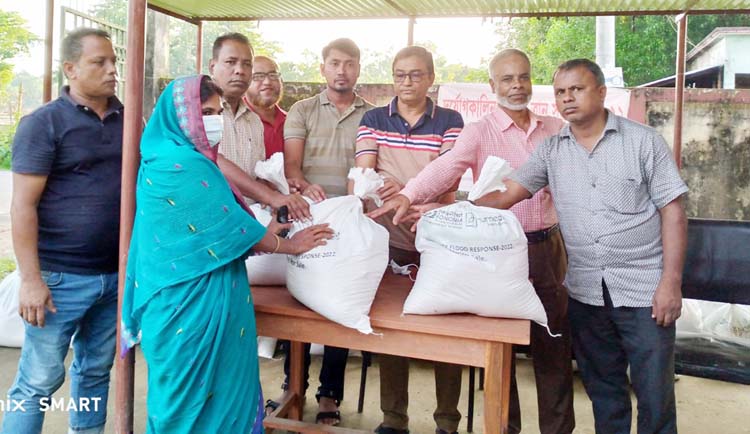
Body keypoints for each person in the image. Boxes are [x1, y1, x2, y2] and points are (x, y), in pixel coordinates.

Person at [383, 59, 688, 434]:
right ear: (494, 84)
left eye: (576, 89)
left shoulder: (635, 141)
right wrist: (431, 208)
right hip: (565, 281)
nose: (567, 98)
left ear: (601, 92)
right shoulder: (542, 146)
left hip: (629, 284)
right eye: (561, 92)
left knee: (648, 391)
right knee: (600, 387)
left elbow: (673, 211)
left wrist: (670, 283)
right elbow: (504, 193)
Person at [372, 49, 575, 434]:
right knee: (499, 351)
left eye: (523, 77)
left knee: (554, 349)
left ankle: (558, 430)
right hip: (495, 255)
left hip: (546, 249)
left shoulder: (554, 129)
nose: (517, 86)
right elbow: (446, 167)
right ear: (492, 85)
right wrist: (409, 195)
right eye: (507, 79)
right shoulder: (479, 131)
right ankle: (505, 428)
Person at [120, 75, 333, 433]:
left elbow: (214, 232)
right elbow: (230, 228)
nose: (214, 121)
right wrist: (290, 245)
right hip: (187, 304)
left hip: (198, 295)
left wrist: (264, 234)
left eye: (218, 112)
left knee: (199, 399)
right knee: (186, 404)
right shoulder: (181, 164)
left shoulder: (163, 155)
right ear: (179, 116)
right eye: (205, 112)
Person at [2, 28, 121, 434]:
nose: (111, 70)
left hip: (114, 277)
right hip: (59, 278)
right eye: (99, 62)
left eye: (113, 62)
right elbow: (22, 206)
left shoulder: (128, 117)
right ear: (70, 68)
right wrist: (31, 281)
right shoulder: (44, 123)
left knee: (95, 373)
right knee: (38, 381)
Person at [353, 46, 464, 434]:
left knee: (445, 332)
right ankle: (393, 419)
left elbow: (449, 175)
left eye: (416, 74)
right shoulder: (373, 118)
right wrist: (402, 188)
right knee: (390, 327)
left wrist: (409, 192)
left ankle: (447, 422)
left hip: (440, 238)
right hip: (390, 240)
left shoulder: (451, 120)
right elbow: (366, 171)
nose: (407, 81)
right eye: (400, 74)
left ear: (431, 77)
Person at [270, 37, 374, 426]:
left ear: (358, 68)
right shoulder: (303, 110)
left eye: (349, 63)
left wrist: (357, 200)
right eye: (334, 63)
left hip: (351, 221)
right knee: (302, 303)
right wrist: (302, 185)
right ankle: (291, 384)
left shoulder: (373, 115)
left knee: (339, 306)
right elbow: (292, 165)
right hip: (307, 217)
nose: (341, 70)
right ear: (323, 68)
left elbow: (369, 166)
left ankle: (330, 395)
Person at [209, 33, 310, 218]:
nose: (239, 70)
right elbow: (213, 160)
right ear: (212, 66)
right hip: (210, 220)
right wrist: (272, 197)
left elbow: (256, 175)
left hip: (248, 221)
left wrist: (284, 189)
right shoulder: (199, 109)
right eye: (231, 62)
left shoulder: (253, 121)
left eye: (247, 64)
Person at [244, 55, 286, 157]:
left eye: (273, 75)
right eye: (258, 77)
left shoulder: (293, 121)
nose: (267, 82)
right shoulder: (233, 121)